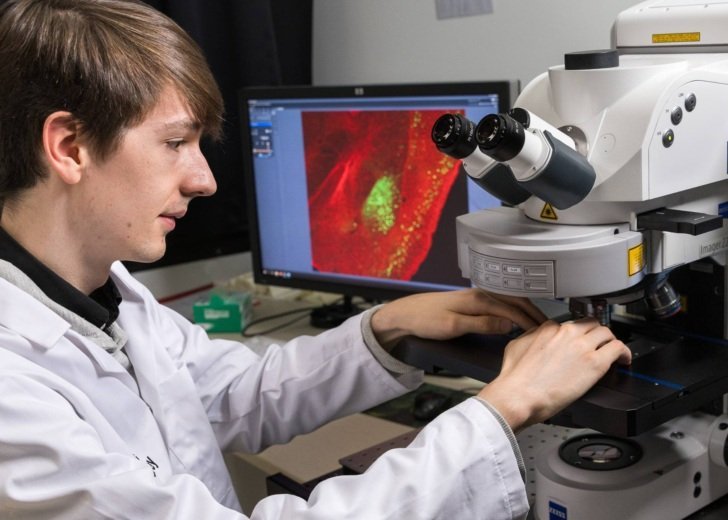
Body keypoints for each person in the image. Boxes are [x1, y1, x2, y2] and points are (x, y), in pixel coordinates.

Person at [0, 0, 632, 518]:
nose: (205, 180)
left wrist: (388, 327)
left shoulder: (104, 292)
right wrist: (505, 406)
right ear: (69, 146)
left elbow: (227, 396)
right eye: (174, 143)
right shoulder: (13, 395)